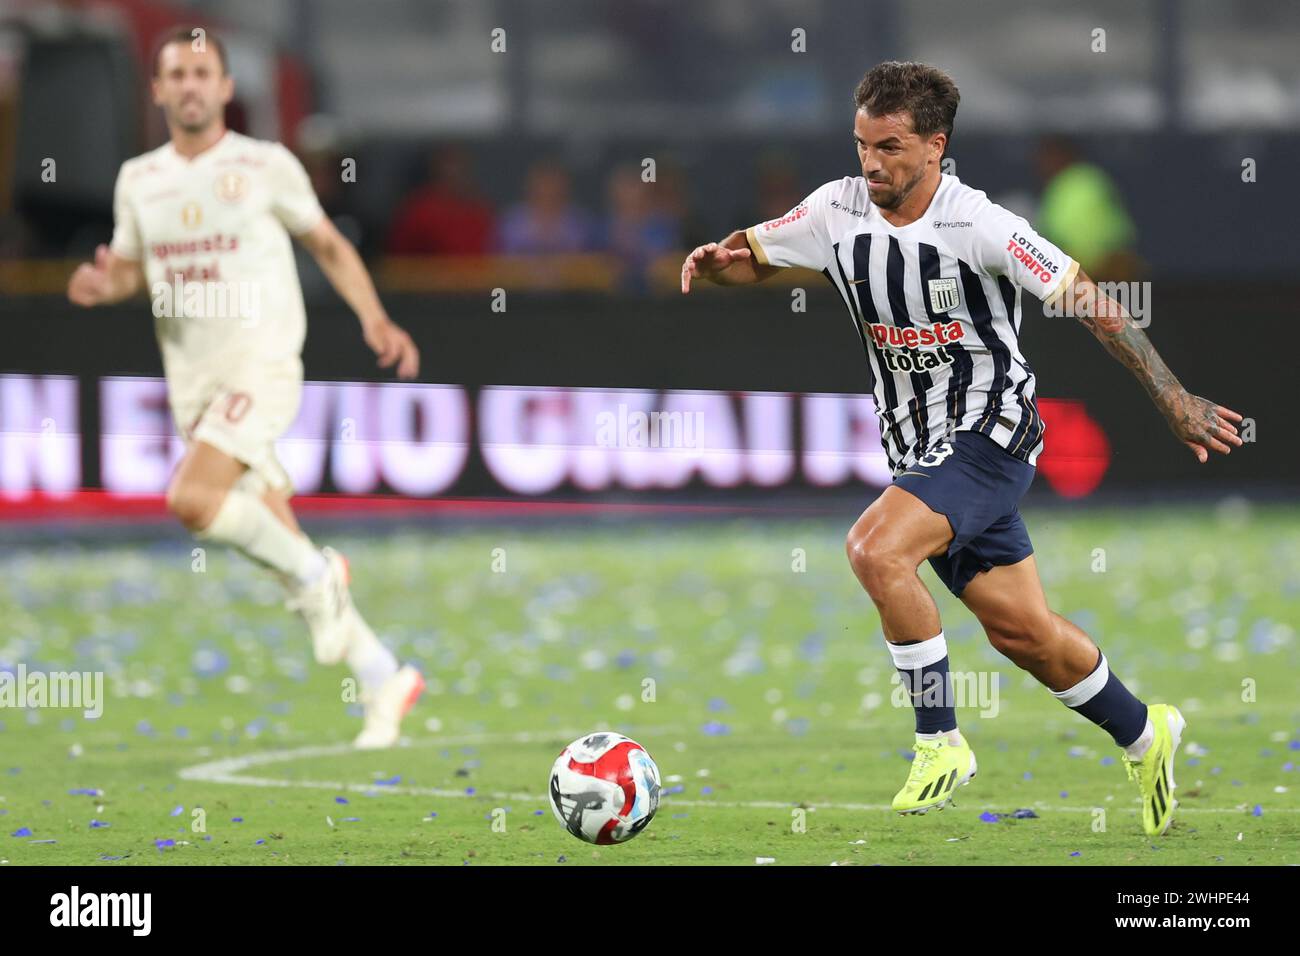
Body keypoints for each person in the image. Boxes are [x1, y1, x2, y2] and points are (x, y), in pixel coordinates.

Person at [681, 61, 1243, 836]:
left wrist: (1173, 397)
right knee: (1025, 634)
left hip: (990, 435)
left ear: (935, 145)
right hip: (918, 450)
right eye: (861, 144)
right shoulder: (835, 210)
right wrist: (718, 264)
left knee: (875, 551)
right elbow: (753, 254)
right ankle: (1147, 732)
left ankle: (939, 739)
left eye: (890, 146)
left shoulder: (980, 222)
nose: (872, 163)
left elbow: (1095, 304)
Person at [66, 27, 425, 749]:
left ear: (227, 88)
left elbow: (326, 243)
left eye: (204, 72)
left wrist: (375, 316)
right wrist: (107, 285)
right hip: (193, 380)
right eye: (177, 73)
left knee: (191, 500)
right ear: (158, 90)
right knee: (275, 535)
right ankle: (382, 673)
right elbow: (134, 271)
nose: (191, 84)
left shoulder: (265, 165)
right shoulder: (140, 178)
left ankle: (322, 573)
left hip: (259, 363)